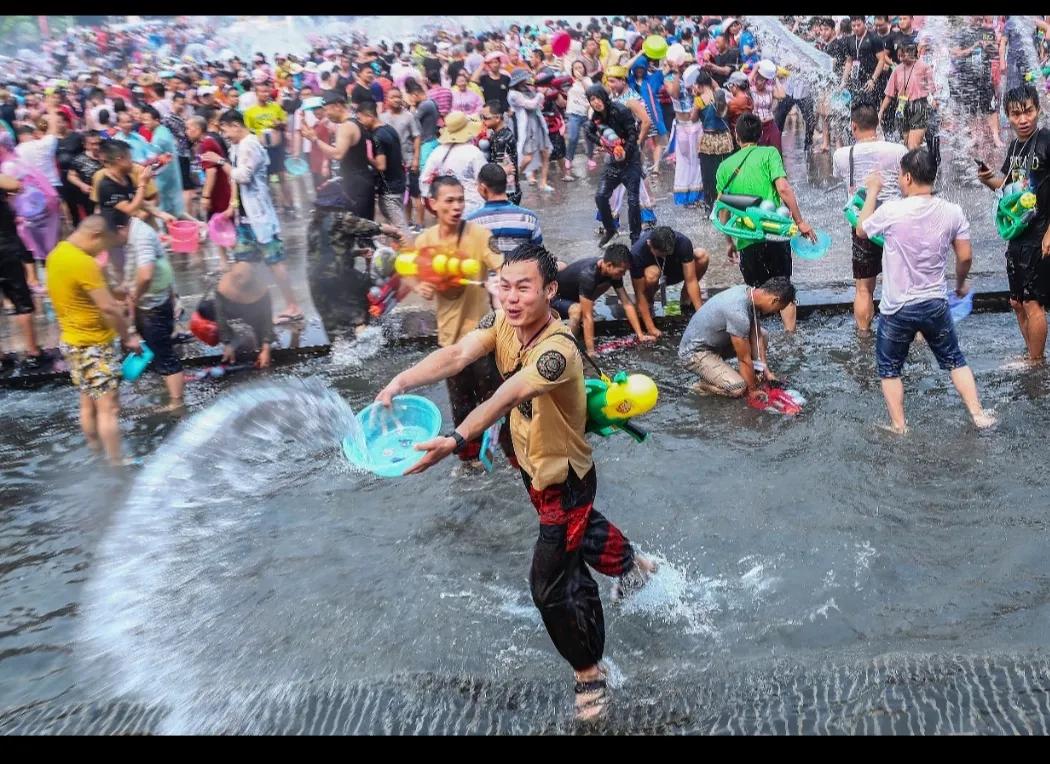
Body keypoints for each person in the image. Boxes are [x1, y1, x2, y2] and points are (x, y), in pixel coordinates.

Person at [375, 241, 657, 723]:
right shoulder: (500, 322)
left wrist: (456, 436)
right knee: (577, 533)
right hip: (530, 460)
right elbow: (458, 353)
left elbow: (509, 394)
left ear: (550, 290)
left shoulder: (557, 351)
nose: (510, 297)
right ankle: (632, 564)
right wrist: (401, 381)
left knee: (549, 584)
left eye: (523, 288)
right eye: (503, 286)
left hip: (563, 476)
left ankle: (589, 674)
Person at [855, 149, 997, 433]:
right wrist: (958, 285)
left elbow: (861, 230)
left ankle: (899, 425)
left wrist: (872, 190)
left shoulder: (893, 210)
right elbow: (965, 257)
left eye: (900, 175)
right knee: (955, 360)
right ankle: (978, 413)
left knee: (889, 369)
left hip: (897, 309)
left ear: (907, 177)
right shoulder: (953, 211)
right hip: (934, 303)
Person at [405, 175, 509, 465]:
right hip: (449, 342)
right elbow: (409, 271)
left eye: (461, 199)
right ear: (433, 204)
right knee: (461, 406)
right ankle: (470, 461)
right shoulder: (425, 241)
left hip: (483, 338)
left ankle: (513, 457)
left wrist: (498, 284)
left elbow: (503, 267)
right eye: (449, 200)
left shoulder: (479, 235)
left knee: (498, 402)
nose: (456, 206)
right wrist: (419, 286)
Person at [46, 215, 140, 467]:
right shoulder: (83, 262)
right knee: (109, 409)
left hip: (72, 343)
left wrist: (115, 290)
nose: (104, 251)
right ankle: (116, 462)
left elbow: (86, 292)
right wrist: (128, 336)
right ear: (96, 235)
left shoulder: (57, 254)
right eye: (105, 245)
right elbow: (109, 308)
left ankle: (96, 451)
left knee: (88, 402)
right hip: (94, 345)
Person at [715, 113, 816, 332]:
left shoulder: (725, 166)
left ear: (736, 135)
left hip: (746, 237)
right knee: (783, 286)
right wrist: (800, 221)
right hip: (774, 232)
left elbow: (722, 209)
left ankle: (757, 341)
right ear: (761, 134)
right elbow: (783, 188)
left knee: (754, 292)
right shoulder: (769, 153)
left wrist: (729, 241)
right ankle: (791, 336)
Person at [202, 109, 303, 324]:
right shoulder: (238, 146)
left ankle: (293, 306)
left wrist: (221, 163)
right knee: (244, 265)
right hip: (246, 218)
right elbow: (235, 181)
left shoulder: (250, 144)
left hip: (261, 217)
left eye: (226, 130)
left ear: (236, 125)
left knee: (274, 262)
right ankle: (248, 308)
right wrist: (232, 205)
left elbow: (243, 176)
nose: (225, 135)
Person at [977, 83, 1050, 364]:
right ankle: (1032, 352)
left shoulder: (1045, 141)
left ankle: (1035, 362)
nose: (1023, 119)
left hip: (1040, 233)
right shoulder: (1016, 146)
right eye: (1016, 114)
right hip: (1018, 232)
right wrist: (987, 178)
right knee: (1017, 302)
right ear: (1008, 116)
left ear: (1038, 110)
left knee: (1033, 303)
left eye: (1028, 112)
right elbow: (1007, 185)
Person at [832, 104, 908, 333]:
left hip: (862, 225)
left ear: (853, 126)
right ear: (878, 124)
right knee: (903, 284)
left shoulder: (842, 154)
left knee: (864, 288)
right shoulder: (898, 150)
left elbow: (841, 178)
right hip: (894, 222)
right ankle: (911, 334)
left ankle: (864, 335)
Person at [113, 210, 184, 410]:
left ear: (120, 228)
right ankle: (169, 390)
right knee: (155, 350)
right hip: (151, 302)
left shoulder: (141, 236)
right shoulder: (134, 232)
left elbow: (145, 275)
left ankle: (176, 403)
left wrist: (132, 298)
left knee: (164, 354)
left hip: (154, 305)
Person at [678, 278, 794, 398]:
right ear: (775, 300)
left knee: (763, 335)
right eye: (779, 309)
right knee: (739, 388)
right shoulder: (738, 312)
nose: (776, 313)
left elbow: (757, 336)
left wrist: (766, 372)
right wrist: (752, 390)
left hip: (715, 343)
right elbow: (743, 359)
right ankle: (702, 386)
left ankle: (732, 375)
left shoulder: (751, 294)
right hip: (694, 353)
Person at [554, 243, 653, 353]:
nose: (624, 274)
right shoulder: (589, 275)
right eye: (621, 271)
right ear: (609, 265)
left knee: (606, 284)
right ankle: (564, 349)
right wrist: (591, 351)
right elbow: (588, 317)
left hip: (575, 295)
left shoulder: (611, 272)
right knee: (578, 310)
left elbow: (626, 303)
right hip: (556, 299)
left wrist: (640, 335)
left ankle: (586, 305)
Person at [300, 90, 375, 220]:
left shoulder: (346, 126)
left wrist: (315, 139)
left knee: (360, 227)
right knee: (363, 227)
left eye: (327, 110)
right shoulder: (355, 121)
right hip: (360, 180)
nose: (326, 114)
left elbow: (338, 154)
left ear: (338, 106)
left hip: (356, 184)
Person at [585, 82, 643, 247]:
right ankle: (610, 229)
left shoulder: (620, 110)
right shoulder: (596, 117)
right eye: (591, 100)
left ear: (604, 96)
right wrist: (601, 143)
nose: (595, 102)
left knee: (633, 201)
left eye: (597, 98)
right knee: (600, 196)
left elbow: (633, 134)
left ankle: (636, 239)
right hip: (612, 164)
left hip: (631, 161)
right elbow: (588, 131)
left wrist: (625, 151)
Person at [629, 225, 710, 335]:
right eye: (661, 254)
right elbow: (639, 293)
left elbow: (691, 280)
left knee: (702, 255)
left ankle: (685, 298)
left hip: (676, 271)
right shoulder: (637, 253)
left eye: (667, 254)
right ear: (649, 244)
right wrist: (651, 328)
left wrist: (701, 316)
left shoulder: (683, 242)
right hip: (654, 277)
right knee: (652, 273)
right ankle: (649, 301)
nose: (664, 256)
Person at [0, 171, 44, 370]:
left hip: (6, 246)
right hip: (5, 249)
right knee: (21, 300)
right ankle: (33, 352)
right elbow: (16, 185)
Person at [465, 163, 542, 258]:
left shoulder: (471, 222)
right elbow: (539, 257)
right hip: (519, 271)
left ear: (482, 188)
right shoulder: (529, 218)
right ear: (505, 184)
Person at [186, 115, 232, 271]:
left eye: (189, 128)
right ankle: (224, 260)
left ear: (198, 129)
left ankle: (232, 259)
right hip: (219, 190)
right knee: (217, 225)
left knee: (221, 224)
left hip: (219, 192)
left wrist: (206, 196)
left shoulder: (206, 144)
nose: (187, 132)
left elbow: (211, 172)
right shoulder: (205, 142)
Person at [418, 111, 487, 214]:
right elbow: (484, 182)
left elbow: (424, 181)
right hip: (472, 207)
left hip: (447, 208)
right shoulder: (474, 153)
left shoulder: (437, 152)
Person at [244, 78, 294, 212]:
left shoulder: (276, 107)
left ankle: (288, 205)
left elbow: (285, 123)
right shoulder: (250, 112)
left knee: (282, 176)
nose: (265, 94)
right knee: (263, 178)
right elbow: (248, 131)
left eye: (267, 92)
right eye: (262, 92)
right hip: (261, 149)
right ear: (256, 93)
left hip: (277, 147)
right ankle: (269, 205)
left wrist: (279, 124)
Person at [355, 99, 407, 228]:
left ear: (370, 116)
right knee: (396, 226)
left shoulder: (377, 136)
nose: (360, 123)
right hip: (399, 183)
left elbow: (381, 165)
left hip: (389, 189)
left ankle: (409, 247)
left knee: (400, 228)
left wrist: (367, 158)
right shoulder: (389, 129)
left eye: (360, 119)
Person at [879, 42, 935, 150]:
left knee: (913, 145)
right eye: (899, 55)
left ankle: (918, 162)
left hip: (919, 106)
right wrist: (881, 111)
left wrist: (933, 101)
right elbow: (889, 94)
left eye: (903, 55)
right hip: (902, 106)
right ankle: (915, 164)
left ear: (912, 53)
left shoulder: (924, 67)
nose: (901, 58)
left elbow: (932, 90)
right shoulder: (897, 70)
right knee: (905, 145)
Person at [507, 68, 554, 192]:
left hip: (538, 123)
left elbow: (539, 105)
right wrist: (540, 94)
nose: (526, 80)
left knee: (545, 153)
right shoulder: (513, 94)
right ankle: (512, 180)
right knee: (528, 157)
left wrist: (540, 94)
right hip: (528, 127)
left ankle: (543, 182)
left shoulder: (528, 89)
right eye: (523, 78)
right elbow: (531, 104)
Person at [479, 100, 521, 205]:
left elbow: (498, 169)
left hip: (505, 192)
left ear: (497, 118)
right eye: (481, 117)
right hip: (510, 189)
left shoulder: (501, 139)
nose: (483, 121)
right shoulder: (503, 133)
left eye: (485, 118)